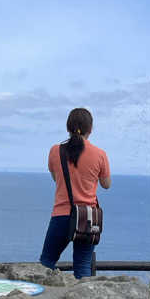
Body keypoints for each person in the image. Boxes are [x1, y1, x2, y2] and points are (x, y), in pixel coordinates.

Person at [39, 108, 111, 279]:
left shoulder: (55, 151)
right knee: (83, 266)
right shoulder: (100, 154)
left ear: (68, 127)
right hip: (87, 218)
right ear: (90, 129)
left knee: (46, 262)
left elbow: (56, 178)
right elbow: (106, 184)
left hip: (62, 214)